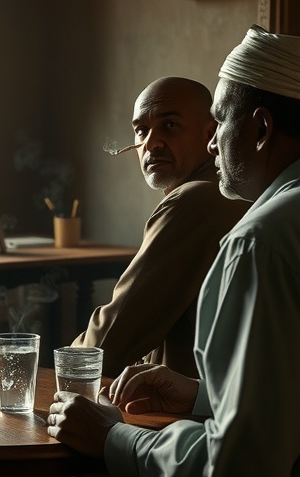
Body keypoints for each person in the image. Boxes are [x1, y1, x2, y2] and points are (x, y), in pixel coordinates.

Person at [35, 24, 300, 477]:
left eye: (219, 122)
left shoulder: (260, 240)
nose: (214, 145)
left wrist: (114, 439)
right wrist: (202, 395)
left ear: (257, 129)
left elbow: (237, 473)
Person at [73, 76, 247, 377]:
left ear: (211, 136)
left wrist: (56, 370)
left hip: (184, 413)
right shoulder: (225, 191)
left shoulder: (194, 201)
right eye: (141, 130)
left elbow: (109, 342)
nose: (150, 143)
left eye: (169, 126)